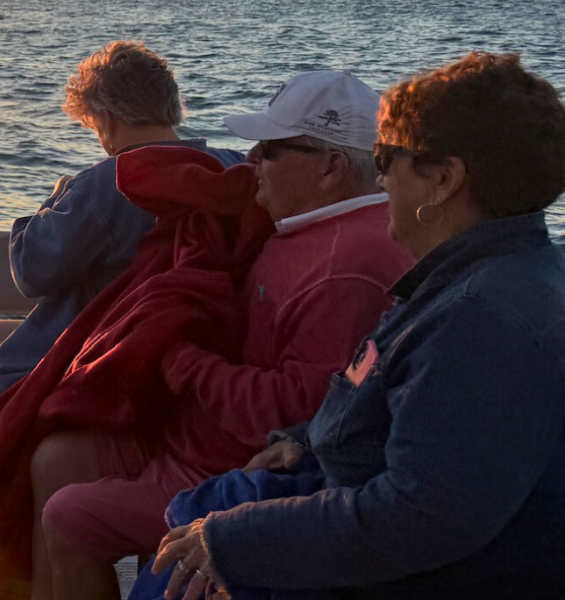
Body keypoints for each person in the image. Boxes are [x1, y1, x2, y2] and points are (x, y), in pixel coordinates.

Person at [151, 53, 565, 600]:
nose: (381, 174)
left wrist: (238, 540)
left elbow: (421, 518)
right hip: (365, 521)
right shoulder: (495, 276)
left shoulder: (479, 322)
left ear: (444, 178)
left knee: (187, 561)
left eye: (388, 156)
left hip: (422, 579)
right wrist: (302, 442)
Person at [29, 70, 412, 600]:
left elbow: (292, 412)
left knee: (69, 517)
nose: (251, 158)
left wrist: (178, 359)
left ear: (333, 168)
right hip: (191, 438)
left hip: (230, 466)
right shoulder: (301, 227)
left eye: (271, 149)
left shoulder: (343, 267)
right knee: (53, 457)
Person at [0, 42, 243, 579]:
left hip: (94, 366)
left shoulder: (105, 185)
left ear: (110, 118)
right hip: (179, 379)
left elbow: (33, 272)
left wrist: (51, 204)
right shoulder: (230, 170)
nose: (96, 136)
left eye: (93, 122)